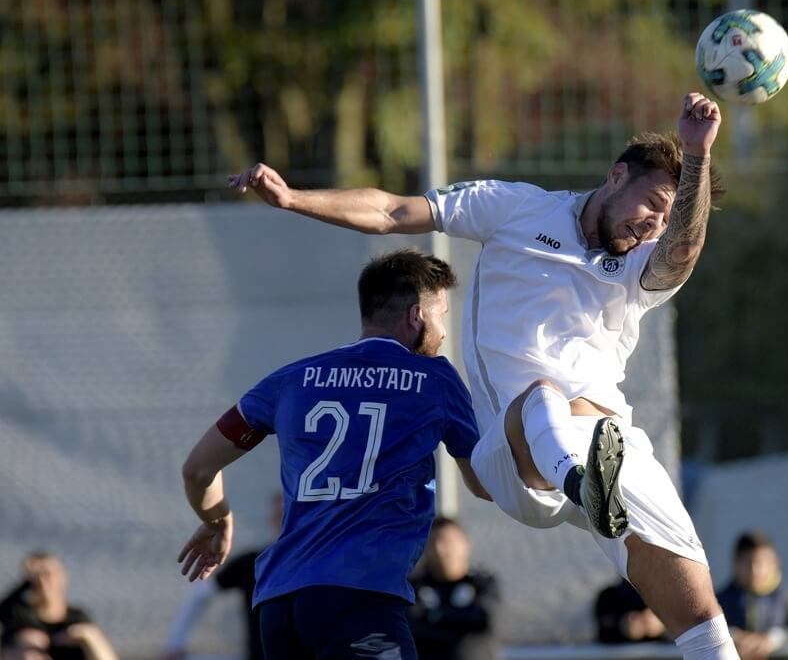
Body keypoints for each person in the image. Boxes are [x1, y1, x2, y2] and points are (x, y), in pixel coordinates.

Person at [229, 92, 735, 660]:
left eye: (668, 216)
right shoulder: (516, 208)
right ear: (617, 176)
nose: (656, 225)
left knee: (703, 618)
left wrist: (698, 158)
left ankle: (594, 485)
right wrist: (293, 198)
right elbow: (395, 212)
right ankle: (578, 481)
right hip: (517, 457)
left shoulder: (645, 262)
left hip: (612, 447)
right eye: (653, 203)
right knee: (544, 394)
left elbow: (684, 248)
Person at [175, 249, 488, 660]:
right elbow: (485, 483)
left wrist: (216, 520)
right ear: (416, 316)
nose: (443, 332)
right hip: (361, 601)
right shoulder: (435, 380)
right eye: (441, 315)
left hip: (279, 607)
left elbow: (198, 468)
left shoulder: (291, 379)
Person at [162, 493, 283, 660]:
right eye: (279, 517)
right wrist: (174, 645)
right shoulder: (254, 563)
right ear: (271, 520)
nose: (284, 523)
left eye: (288, 516)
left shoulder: (320, 563)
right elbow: (200, 593)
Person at [407, 517, 501, 660]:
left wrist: (434, 615)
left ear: (465, 544)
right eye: (433, 542)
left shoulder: (482, 582)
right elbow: (413, 625)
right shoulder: (413, 585)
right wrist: (459, 618)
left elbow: (484, 618)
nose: (440, 549)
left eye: (447, 542)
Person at [0, 552, 117, 660]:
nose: (42, 582)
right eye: (35, 577)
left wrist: (87, 636)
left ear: (62, 576)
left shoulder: (76, 618)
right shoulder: (18, 614)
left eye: (48, 574)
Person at [715, 532, 788, 660]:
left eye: (761, 562)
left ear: (775, 562)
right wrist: (731, 637)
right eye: (748, 563)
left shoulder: (784, 597)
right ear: (735, 563)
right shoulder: (720, 599)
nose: (755, 571)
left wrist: (773, 639)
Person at [594, 577, 667, 644]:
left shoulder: (664, 594)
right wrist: (622, 625)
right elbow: (603, 632)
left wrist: (663, 625)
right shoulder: (607, 597)